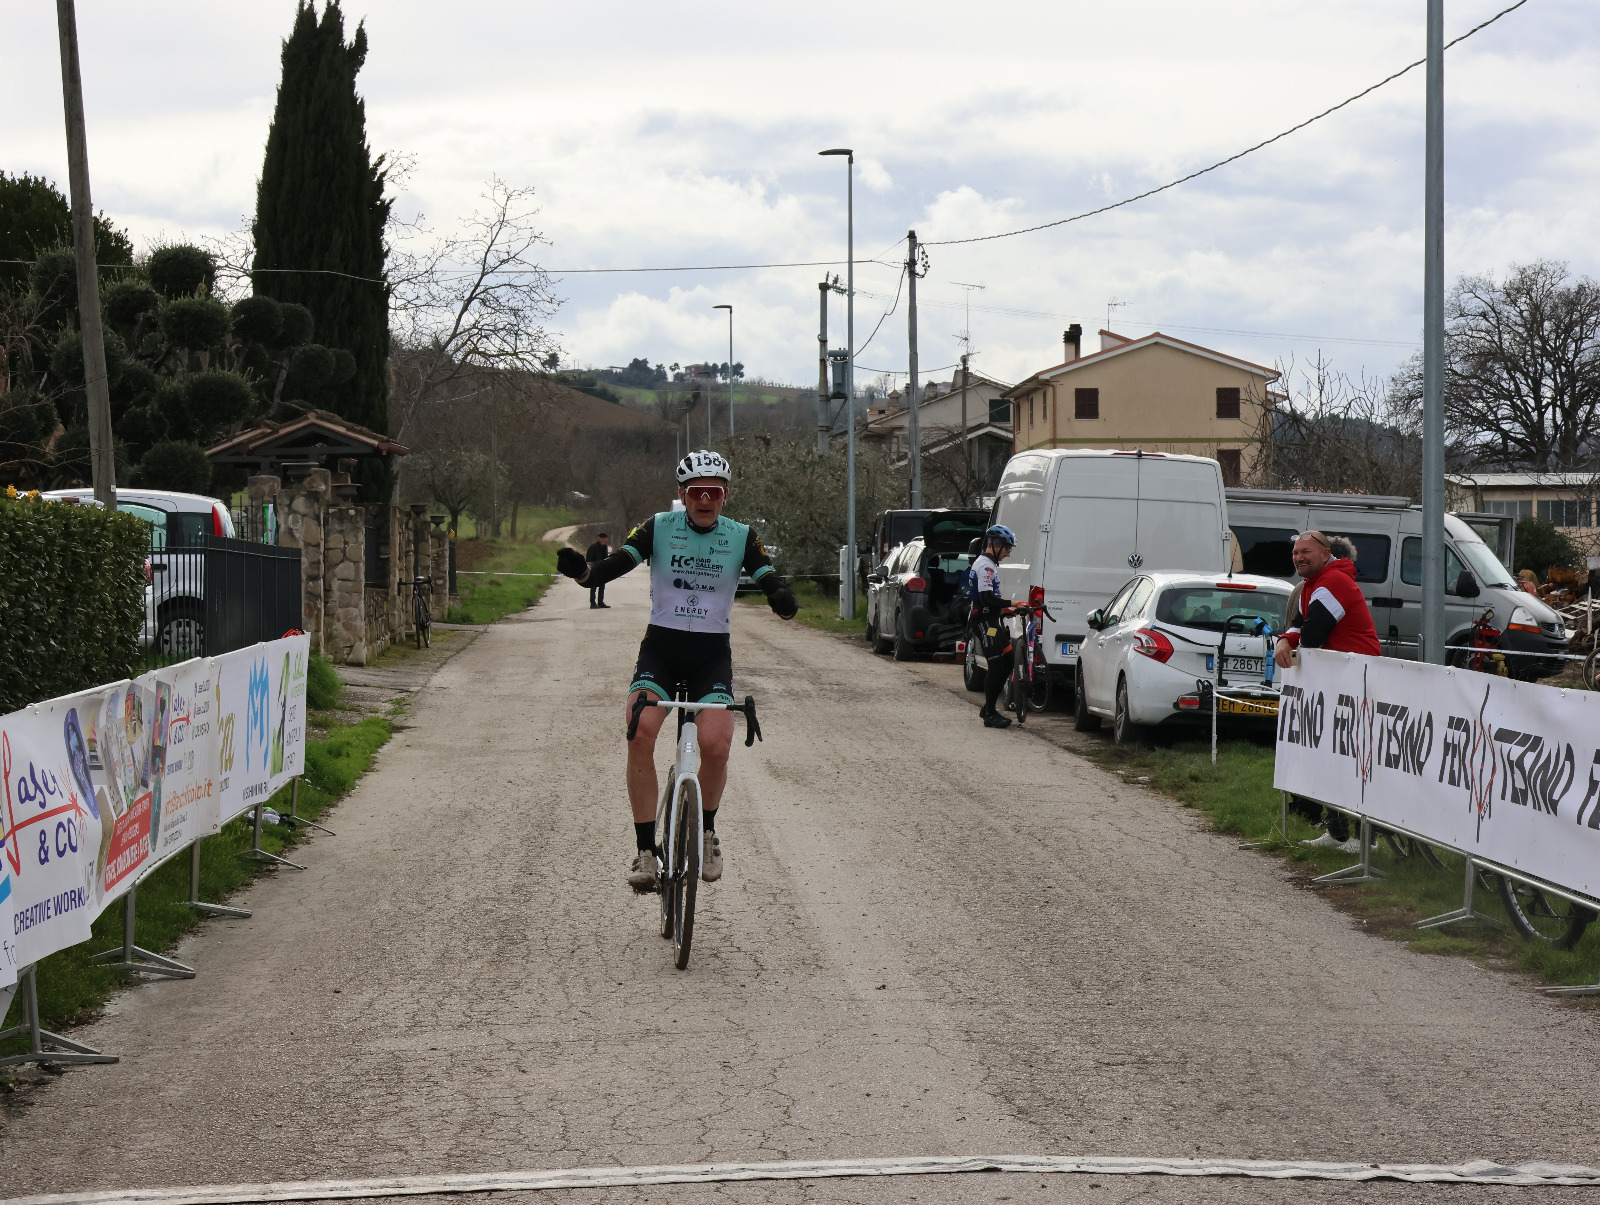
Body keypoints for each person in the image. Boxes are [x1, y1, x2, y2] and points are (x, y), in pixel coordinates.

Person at [556, 450, 798, 891]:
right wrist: (586, 574)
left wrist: (779, 595)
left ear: (725, 497)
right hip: (661, 652)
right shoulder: (658, 527)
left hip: (711, 656)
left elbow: (766, 575)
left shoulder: (741, 535)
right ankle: (646, 850)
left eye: (715, 492)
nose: (705, 500)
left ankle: (706, 833)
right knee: (640, 731)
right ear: (682, 495)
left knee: (717, 745)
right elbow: (620, 562)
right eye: (696, 492)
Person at [1274, 530, 1381, 851]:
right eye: (1295, 553)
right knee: (1330, 757)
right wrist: (1283, 639)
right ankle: (1337, 833)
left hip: (1357, 685)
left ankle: (1366, 841)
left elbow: (1312, 634)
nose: (1298, 558)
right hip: (1337, 685)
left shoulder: (1332, 583)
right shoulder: (1313, 585)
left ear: (1325, 553)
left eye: (1305, 551)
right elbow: (1298, 624)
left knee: (1352, 761)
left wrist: (1292, 638)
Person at [972, 524, 1018, 729]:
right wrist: (1011, 604)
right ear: (995, 545)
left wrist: (1006, 610)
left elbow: (990, 601)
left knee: (1008, 661)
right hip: (984, 622)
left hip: (991, 619)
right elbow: (986, 598)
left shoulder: (988, 564)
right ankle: (990, 713)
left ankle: (988, 707)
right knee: (996, 665)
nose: (1008, 553)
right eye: (1007, 549)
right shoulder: (986, 566)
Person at [586, 532, 612, 608]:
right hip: (594, 570)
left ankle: (600, 602)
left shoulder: (605, 547)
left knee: (602, 586)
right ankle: (593, 603)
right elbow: (588, 559)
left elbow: (606, 558)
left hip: (602, 569)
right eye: (603, 538)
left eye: (605, 539)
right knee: (593, 587)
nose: (604, 540)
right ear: (599, 538)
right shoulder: (593, 547)